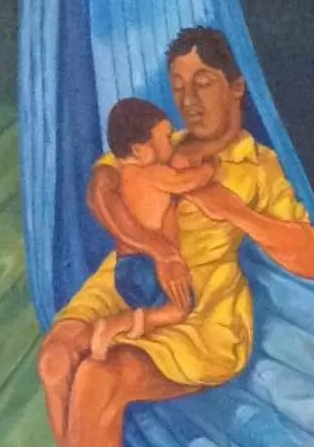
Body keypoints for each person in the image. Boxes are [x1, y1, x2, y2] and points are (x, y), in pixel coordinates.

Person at [26, 26, 314, 447]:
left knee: (96, 378)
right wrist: (140, 235)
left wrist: (233, 209)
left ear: (237, 87)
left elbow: (312, 260)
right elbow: (101, 183)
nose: (189, 98)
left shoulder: (256, 166)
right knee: (55, 359)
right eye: (179, 86)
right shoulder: (160, 145)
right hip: (123, 279)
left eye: (204, 82)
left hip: (199, 308)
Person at [84, 97, 220, 361]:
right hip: (146, 266)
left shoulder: (122, 177)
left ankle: (128, 327)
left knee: (169, 311)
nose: (172, 143)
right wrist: (210, 167)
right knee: (181, 309)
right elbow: (188, 181)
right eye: (167, 138)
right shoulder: (152, 173)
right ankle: (118, 325)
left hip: (126, 269)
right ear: (138, 150)